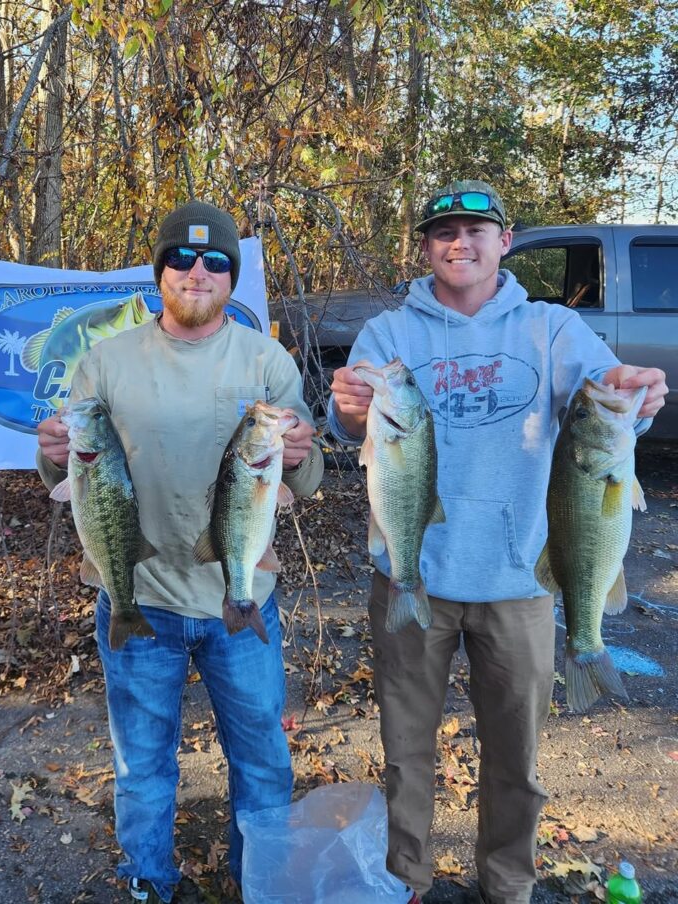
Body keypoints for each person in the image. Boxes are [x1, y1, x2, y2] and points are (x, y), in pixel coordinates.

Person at [327, 180, 668, 904]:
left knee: (516, 759)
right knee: (406, 752)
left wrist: (633, 389)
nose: (461, 242)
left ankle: (508, 882)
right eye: (445, 230)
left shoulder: (549, 327)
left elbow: (605, 392)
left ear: (505, 241)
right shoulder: (391, 334)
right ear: (426, 246)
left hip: (522, 583)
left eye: (477, 231)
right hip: (412, 572)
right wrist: (350, 409)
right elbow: (353, 423)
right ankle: (405, 881)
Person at [37, 200, 324, 904]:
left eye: (217, 261)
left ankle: (256, 879)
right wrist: (49, 456)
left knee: (261, 758)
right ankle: (148, 882)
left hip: (242, 596)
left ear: (233, 275)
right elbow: (67, 476)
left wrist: (296, 454)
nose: (198, 272)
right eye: (181, 259)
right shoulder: (103, 363)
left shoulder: (267, 361)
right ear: (158, 269)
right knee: (142, 765)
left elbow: (305, 478)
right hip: (139, 601)